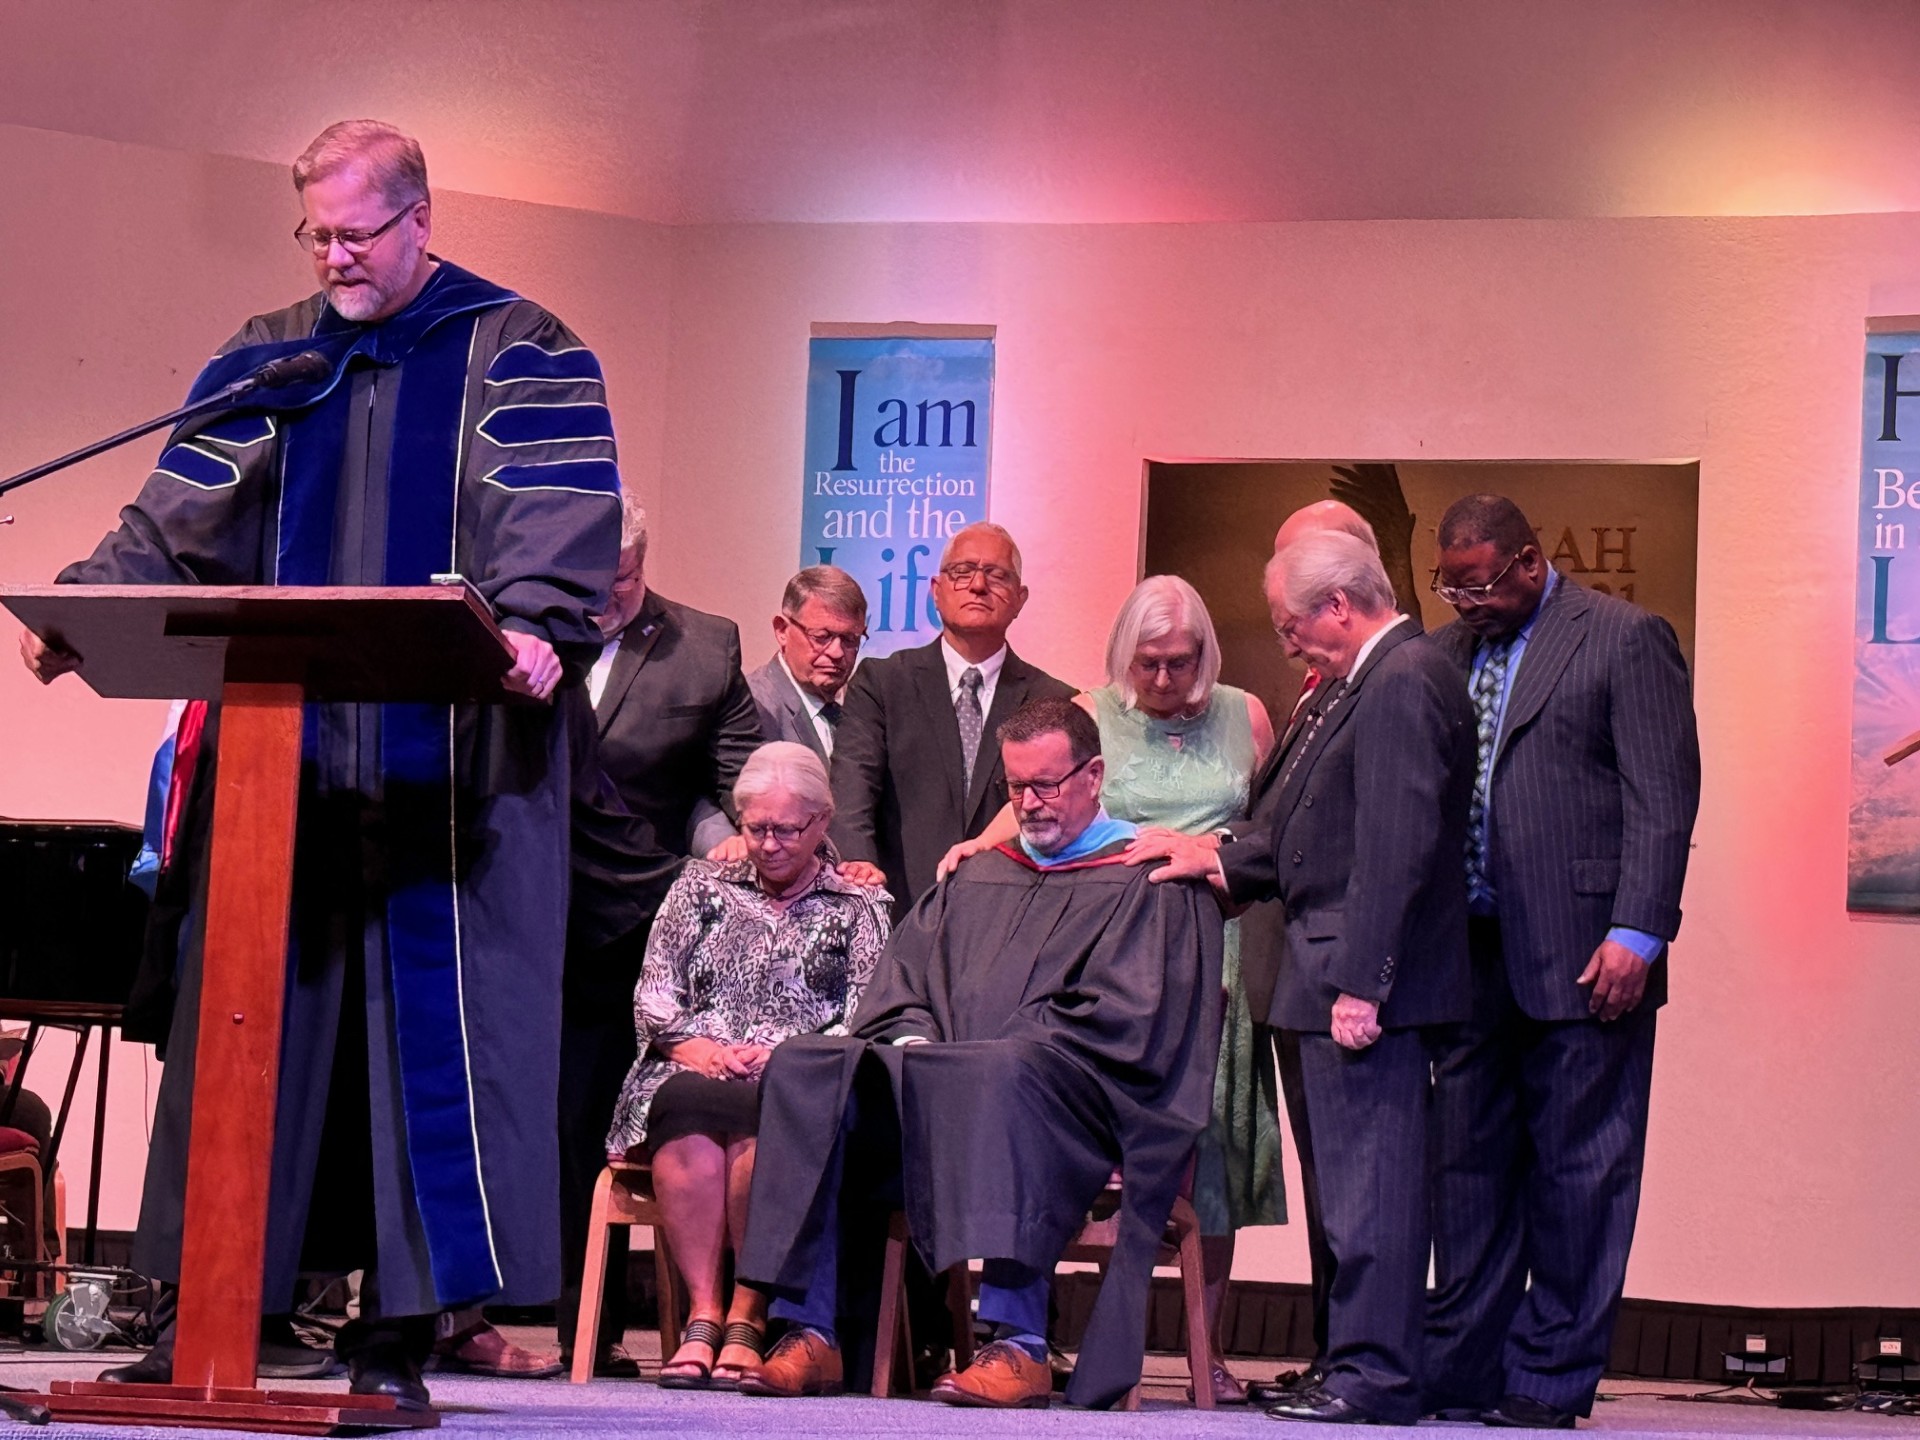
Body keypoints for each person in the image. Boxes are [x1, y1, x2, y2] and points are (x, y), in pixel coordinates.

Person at [20, 119, 622, 1406]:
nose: (338, 257)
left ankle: (399, 1336)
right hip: (279, 766)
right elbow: (178, 515)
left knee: (425, 1047)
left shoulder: (521, 348)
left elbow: (553, 516)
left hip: (449, 768)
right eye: (319, 233)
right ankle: (207, 1315)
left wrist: (530, 620)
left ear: (419, 217)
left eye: (359, 232)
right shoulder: (270, 351)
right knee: (240, 1019)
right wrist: (88, 605)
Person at [737, 698, 1224, 1409]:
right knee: (808, 1066)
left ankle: (1017, 1343)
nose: (1028, 804)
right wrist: (915, 1041)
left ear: (1093, 775)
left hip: (1076, 1104)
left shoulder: (1144, 879)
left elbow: (1132, 1021)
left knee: (1006, 1070)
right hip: (947, 1087)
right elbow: (902, 987)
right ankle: (809, 1329)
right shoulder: (978, 873)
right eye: (1015, 787)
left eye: (1046, 785)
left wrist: (977, 1062)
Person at [1145, 530, 1475, 1425]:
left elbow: (1397, 846)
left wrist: (1366, 983)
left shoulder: (1403, 680)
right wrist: (1209, 857)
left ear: (1338, 606)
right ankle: (1347, 1358)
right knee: (1345, 1194)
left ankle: (1377, 1376)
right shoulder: (1355, 682)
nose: (1285, 640)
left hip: (1361, 983)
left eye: (1291, 623)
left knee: (1375, 1190)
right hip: (1319, 970)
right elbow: (1296, 822)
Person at [940, 574, 1279, 1404]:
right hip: (1112, 941)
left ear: (1205, 653)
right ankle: (1042, 1339)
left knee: (1218, 1162)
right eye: (1149, 662)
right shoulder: (1093, 709)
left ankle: (1212, 1349)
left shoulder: (1247, 714)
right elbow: (1043, 793)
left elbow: (1275, 831)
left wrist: (1212, 852)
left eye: (1180, 662)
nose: (1164, 679)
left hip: (1213, 948)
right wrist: (975, 848)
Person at [1422, 495, 1700, 1429]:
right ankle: (1465, 1370)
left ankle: (1548, 1378)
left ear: (1532, 562)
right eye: (1450, 588)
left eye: (1481, 585)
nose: (1466, 604)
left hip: (1589, 949)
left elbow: (1664, 795)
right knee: (1466, 1171)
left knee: (1581, 1172)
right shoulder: (1446, 655)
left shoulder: (1623, 638)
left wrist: (1639, 931)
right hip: (1468, 952)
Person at [602, 742, 889, 1389]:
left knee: (772, 1118)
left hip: (797, 1082)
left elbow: (867, 1013)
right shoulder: (699, 886)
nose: (769, 844)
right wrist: (692, 1047)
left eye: (786, 829)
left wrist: (791, 1056)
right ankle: (704, 1315)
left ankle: (746, 1314)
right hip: (690, 1067)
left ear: (821, 822)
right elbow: (654, 991)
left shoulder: (858, 905)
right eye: (754, 827)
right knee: (688, 1104)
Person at [830, 522, 1074, 919]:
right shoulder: (883, 683)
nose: (978, 585)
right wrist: (860, 870)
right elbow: (852, 789)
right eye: (962, 572)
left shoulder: (1055, 701)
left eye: (996, 575)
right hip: (897, 911)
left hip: (1013, 921)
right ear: (936, 589)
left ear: (1020, 598)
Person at [589, 492, 763, 858]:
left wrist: (762, 841)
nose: (602, 597)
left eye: (619, 580)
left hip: (646, 884)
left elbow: (745, 777)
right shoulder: (526, 637)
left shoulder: (705, 648)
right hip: (534, 881)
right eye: (590, 578)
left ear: (641, 566)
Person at [746, 566, 868, 762]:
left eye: (850, 639)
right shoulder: (751, 709)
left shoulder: (867, 710)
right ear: (782, 630)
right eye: (821, 636)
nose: (836, 652)